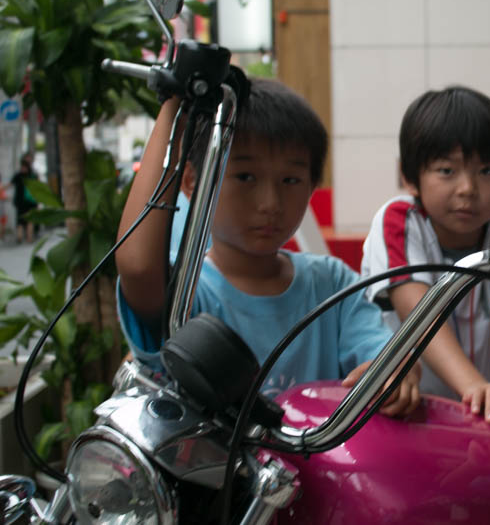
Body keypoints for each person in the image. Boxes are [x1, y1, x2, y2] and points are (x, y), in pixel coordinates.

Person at [115, 78, 420, 414]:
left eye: (290, 180)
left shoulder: (332, 284)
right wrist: (174, 103)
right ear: (192, 182)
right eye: (246, 177)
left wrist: (397, 372)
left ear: (312, 186)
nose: (270, 202)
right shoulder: (187, 291)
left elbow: (383, 352)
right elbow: (138, 266)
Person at [360, 86, 490, 424]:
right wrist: (476, 388)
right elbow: (420, 316)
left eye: (486, 171)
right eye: (447, 170)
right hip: (407, 411)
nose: (467, 189)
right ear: (409, 177)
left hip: (486, 412)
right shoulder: (399, 222)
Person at [10, 155, 38, 244]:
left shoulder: (18, 175)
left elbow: (10, 185)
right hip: (30, 202)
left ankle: (20, 237)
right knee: (29, 220)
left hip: (21, 202)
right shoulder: (33, 176)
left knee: (21, 220)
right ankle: (28, 238)